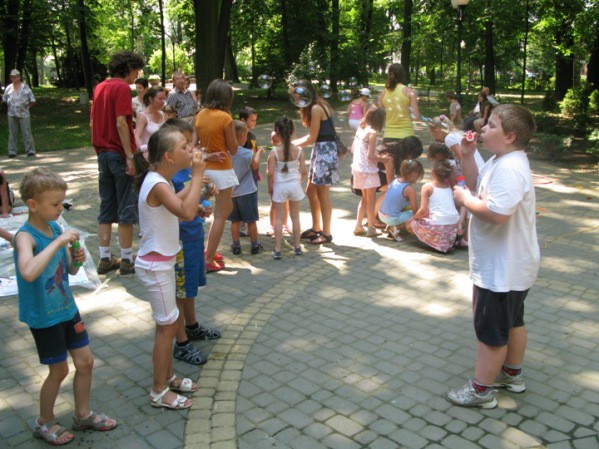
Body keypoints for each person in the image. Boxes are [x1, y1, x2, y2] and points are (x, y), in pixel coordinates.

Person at [446, 104, 540, 409]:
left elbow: (497, 214)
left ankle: (481, 391)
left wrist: (464, 200)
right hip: (509, 266)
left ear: (509, 136)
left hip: (501, 269)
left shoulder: (510, 168)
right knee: (512, 321)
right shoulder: (501, 159)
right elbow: (477, 184)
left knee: (491, 332)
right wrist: (467, 155)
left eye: (492, 125)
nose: (482, 128)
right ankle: (511, 375)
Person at [14, 168, 117, 445]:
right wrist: (59, 242)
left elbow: (69, 271)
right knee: (59, 370)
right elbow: (28, 272)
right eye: (55, 204)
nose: (61, 209)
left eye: (62, 202)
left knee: (86, 361)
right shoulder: (26, 237)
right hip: (45, 317)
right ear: (33, 205)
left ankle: (82, 415)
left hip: (67, 309)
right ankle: (44, 422)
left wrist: (77, 259)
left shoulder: (55, 228)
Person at [133, 126, 205, 410]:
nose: (191, 150)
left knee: (170, 323)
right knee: (167, 329)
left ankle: (169, 376)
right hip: (156, 266)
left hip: (162, 262)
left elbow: (181, 210)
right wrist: (197, 176)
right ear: (168, 157)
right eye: (185, 147)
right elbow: (185, 211)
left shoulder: (160, 180)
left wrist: (196, 201)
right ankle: (158, 391)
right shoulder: (157, 184)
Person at [165, 119, 221, 366]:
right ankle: (181, 342)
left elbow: (190, 202)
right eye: (185, 144)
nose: (192, 148)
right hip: (179, 241)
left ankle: (192, 326)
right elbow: (172, 207)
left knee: (188, 289)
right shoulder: (167, 177)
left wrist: (205, 196)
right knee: (179, 293)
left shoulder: (187, 170)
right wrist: (196, 181)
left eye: (191, 142)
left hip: (193, 234)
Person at [90, 50, 144, 276]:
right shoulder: (121, 88)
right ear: (129, 68)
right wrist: (129, 156)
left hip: (103, 153)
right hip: (119, 153)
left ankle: (104, 258)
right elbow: (121, 123)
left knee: (106, 205)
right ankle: (127, 260)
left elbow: (92, 122)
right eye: (137, 70)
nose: (137, 75)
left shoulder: (100, 87)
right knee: (126, 206)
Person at [194, 79, 239, 272]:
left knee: (224, 208)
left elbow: (193, 146)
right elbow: (234, 149)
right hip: (222, 170)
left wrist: (208, 154)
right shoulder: (225, 118)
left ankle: (208, 251)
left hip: (204, 170)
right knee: (221, 215)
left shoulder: (200, 114)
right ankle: (208, 257)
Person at [292, 82, 338, 245]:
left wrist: (290, 145)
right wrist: (292, 143)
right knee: (311, 191)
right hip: (321, 151)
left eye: (297, 96)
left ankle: (327, 233)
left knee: (322, 193)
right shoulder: (318, 105)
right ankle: (316, 227)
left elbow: (311, 138)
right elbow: (313, 136)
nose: (296, 99)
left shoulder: (317, 108)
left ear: (306, 94)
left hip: (325, 153)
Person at [268, 116, 307, 259]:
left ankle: (278, 249)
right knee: (295, 217)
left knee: (279, 218)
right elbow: (304, 171)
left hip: (280, 186)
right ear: (292, 132)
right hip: (294, 185)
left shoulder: (274, 152)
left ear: (276, 133)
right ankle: (297, 247)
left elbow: (270, 173)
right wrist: (299, 181)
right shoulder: (299, 150)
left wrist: (270, 187)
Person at [407, 160, 462, 253]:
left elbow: (423, 211)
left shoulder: (427, 187)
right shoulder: (449, 186)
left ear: (432, 172)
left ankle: (434, 242)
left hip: (439, 224)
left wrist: (412, 218)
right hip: (453, 224)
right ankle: (444, 241)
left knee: (410, 224)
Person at [229, 120, 264, 255]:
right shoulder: (248, 153)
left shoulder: (226, 152)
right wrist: (258, 154)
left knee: (235, 221)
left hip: (232, 193)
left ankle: (236, 245)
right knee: (251, 220)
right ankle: (254, 245)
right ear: (242, 136)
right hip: (248, 191)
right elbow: (255, 166)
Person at [350, 108, 387, 237]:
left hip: (357, 168)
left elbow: (353, 149)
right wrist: (383, 159)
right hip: (368, 171)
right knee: (371, 200)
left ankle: (358, 226)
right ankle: (371, 228)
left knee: (365, 198)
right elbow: (371, 156)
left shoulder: (361, 129)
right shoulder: (372, 133)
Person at [379, 159, 423, 242]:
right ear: (415, 174)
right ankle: (396, 229)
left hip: (381, 214)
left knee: (405, 206)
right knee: (413, 215)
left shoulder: (395, 180)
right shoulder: (410, 189)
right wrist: (419, 219)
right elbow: (415, 209)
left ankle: (390, 225)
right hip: (391, 218)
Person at [3, 69, 36, 158]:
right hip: (11, 114)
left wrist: (27, 108)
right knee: (12, 133)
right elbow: (5, 99)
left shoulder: (25, 88)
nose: (12, 79)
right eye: (11, 77)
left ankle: (30, 151)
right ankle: (12, 152)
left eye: (14, 77)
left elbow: (33, 100)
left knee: (26, 132)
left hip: (24, 114)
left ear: (19, 77)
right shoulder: (8, 88)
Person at [238, 106, 261, 237]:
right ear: (243, 120)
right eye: (252, 120)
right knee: (243, 198)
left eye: (255, 120)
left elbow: (253, 154)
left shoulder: (252, 136)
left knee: (251, 197)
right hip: (244, 174)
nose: (254, 123)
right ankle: (242, 226)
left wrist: (257, 171)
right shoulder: (240, 138)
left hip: (252, 172)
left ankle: (245, 225)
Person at [134, 86, 166, 150]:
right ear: (151, 99)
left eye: (164, 99)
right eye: (160, 99)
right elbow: (137, 137)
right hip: (148, 152)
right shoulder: (143, 116)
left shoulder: (162, 114)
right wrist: (143, 151)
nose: (163, 101)